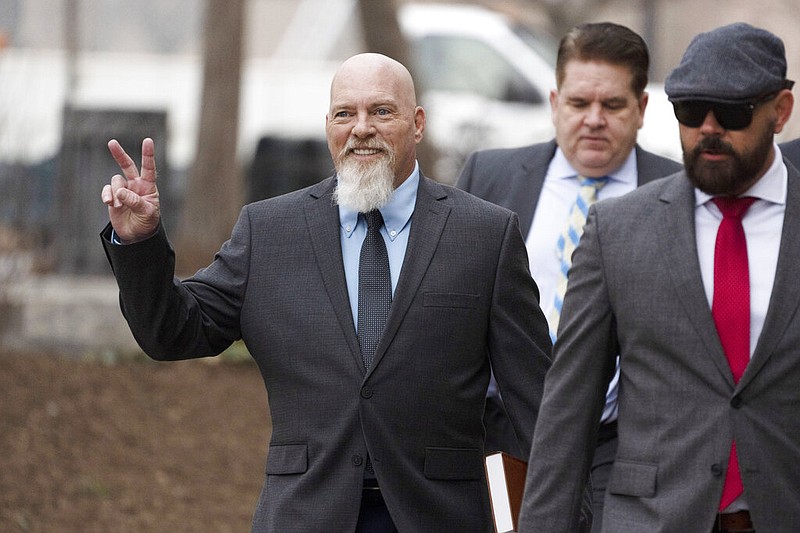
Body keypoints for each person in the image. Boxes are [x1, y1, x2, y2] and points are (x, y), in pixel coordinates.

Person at [99, 53, 552, 532]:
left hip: (440, 515)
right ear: (329, 126)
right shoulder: (269, 230)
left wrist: (561, 517)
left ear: (417, 124)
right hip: (305, 513)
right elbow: (172, 331)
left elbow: (538, 407)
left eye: (381, 111)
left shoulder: (485, 235)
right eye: (344, 114)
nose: (361, 128)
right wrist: (139, 242)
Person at [518, 22, 799, 532]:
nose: (708, 130)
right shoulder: (619, 229)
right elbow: (568, 413)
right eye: (691, 112)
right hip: (655, 517)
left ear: (780, 111)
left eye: (732, 113)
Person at [457, 22, 680, 532]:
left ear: (642, 109)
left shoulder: (678, 194)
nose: (594, 120)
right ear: (555, 102)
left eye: (614, 106)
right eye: (579, 104)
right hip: (505, 440)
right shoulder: (489, 179)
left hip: (623, 445)